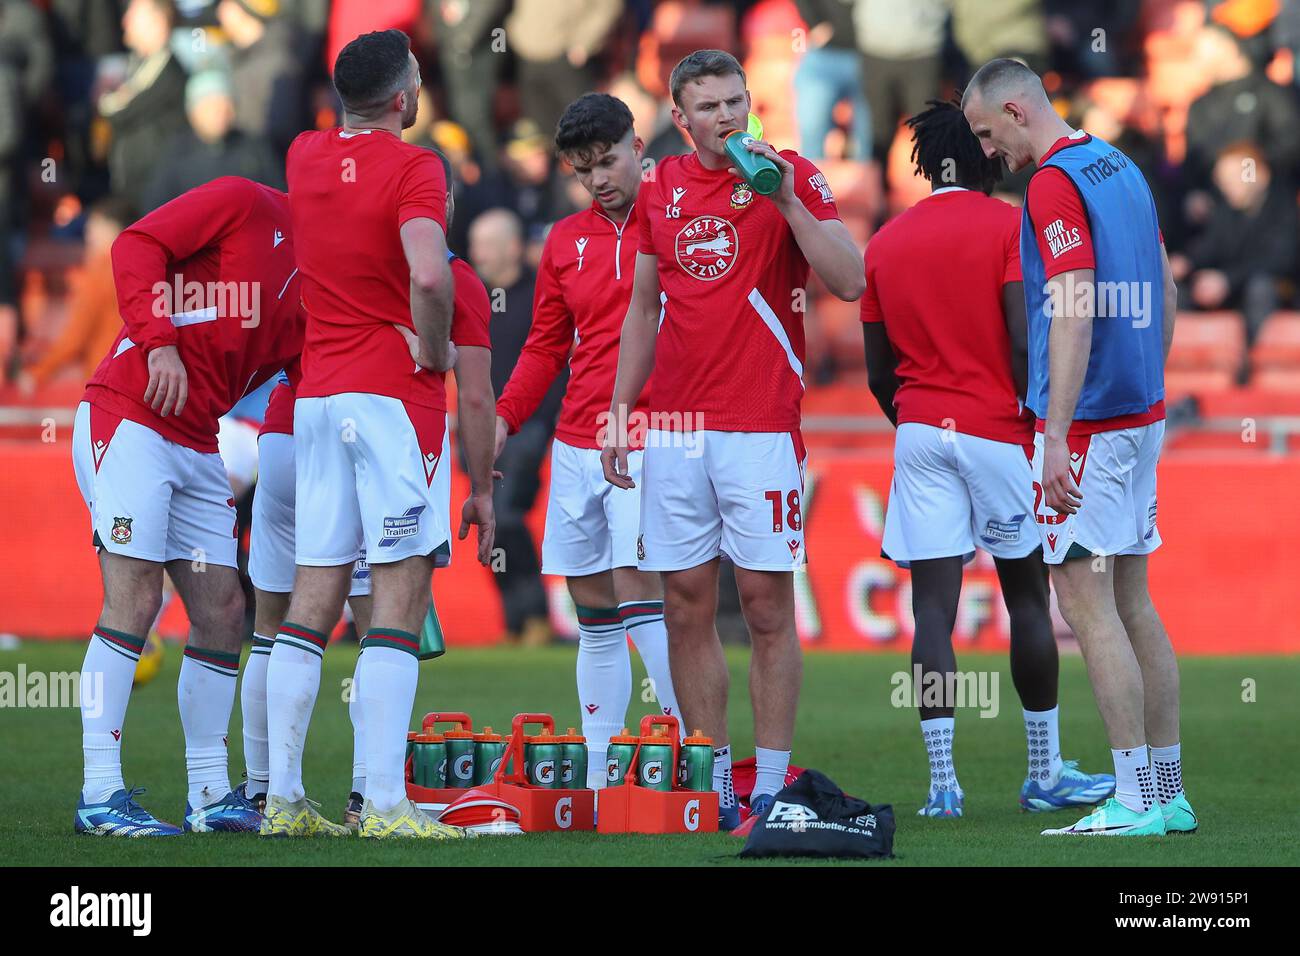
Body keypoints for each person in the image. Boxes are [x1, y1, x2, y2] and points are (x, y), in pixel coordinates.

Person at [602, 50, 864, 828]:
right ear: (679, 120)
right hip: (677, 429)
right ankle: (714, 782)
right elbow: (643, 310)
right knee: (684, 605)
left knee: (764, 606)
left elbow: (850, 279)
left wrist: (784, 201)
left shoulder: (793, 172)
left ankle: (772, 785)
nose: (727, 117)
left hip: (759, 423)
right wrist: (622, 409)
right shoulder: (660, 189)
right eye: (709, 107)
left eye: (736, 102)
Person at [270, 29, 496, 840]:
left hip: (318, 398)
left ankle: (285, 801)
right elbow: (431, 272)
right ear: (404, 96)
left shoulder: (302, 156)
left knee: (312, 599)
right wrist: (431, 347)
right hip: (388, 398)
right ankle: (387, 807)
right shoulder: (415, 166)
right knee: (398, 596)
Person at [862, 99, 1115, 819]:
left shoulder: (884, 241)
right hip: (997, 431)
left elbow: (879, 371)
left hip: (919, 434)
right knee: (1027, 600)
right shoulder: (1010, 225)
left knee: (932, 613)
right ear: (979, 157)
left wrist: (911, 417)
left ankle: (943, 784)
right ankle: (1043, 773)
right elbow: (1017, 339)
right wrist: (1031, 424)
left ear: (922, 164)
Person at [963, 58, 1193, 837]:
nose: (988, 152)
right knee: (1136, 602)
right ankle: (1168, 791)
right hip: (1142, 411)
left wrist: (1055, 432)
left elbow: (1071, 303)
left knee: (1085, 603)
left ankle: (1133, 797)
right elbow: (1162, 288)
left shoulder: (1054, 184)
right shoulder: (1121, 163)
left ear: (1018, 112)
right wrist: (1149, 382)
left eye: (988, 134)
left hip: (1091, 423)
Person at [69, 176, 305, 836]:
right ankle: (99, 792)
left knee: (224, 610)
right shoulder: (245, 201)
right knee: (135, 600)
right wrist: (159, 340)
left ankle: (206, 795)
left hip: (196, 435)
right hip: (131, 413)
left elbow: (313, 384)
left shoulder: (327, 285)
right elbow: (135, 243)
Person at [494, 93, 681, 787]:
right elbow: (545, 346)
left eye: (608, 161)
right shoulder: (565, 243)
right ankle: (601, 770)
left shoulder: (677, 218)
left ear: (639, 147)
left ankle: (688, 751)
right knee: (593, 606)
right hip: (577, 440)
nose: (599, 179)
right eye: (584, 170)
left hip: (652, 432)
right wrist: (506, 419)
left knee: (638, 590)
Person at [470, 207, 560, 646]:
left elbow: (555, 360)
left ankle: (536, 614)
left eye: (485, 244)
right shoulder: (471, 296)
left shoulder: (541, 292)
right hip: (480, 429)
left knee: (506, 515)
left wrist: (543, 420)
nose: (476, 253)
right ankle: (515, 622)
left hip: (528, 426)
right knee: (491, 524)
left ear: (510, 246)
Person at [19, 196, 133, 391]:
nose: (89, 234)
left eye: (95, 227)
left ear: (114, 229)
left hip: (107, 380)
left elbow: (76, 336)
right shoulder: (138, 269)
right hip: (135, 377)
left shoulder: (101, 270)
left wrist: (37, 372)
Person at [143, 70, 284, 211]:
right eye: (210, 105)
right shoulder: (176, 156)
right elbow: (156, 211)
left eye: (225, 104)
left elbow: (280, 198)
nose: (219, 112)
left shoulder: (256, 147)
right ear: (193, 113)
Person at [98, 0, 188, 213]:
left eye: (133, 15)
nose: (125, 21)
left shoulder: (166, 68)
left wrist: (103, 99)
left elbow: (119, 111)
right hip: (135, 186)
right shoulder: (138, 65)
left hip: (153, 192)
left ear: (158, 22)